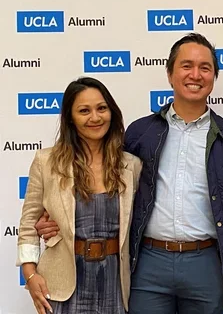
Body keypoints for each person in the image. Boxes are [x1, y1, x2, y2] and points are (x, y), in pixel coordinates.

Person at [36, 33, 223, 314]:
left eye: (205, 68)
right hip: (148, 263)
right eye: (186, 66)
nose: (195, 75)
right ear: (169, 73)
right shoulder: (141, 132)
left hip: (207, 264)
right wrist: (53, 217)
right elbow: (104, 184)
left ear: (214, 77)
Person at [16, 77, 142, 314]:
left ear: (112, 112)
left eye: (101, 108)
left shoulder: (131, 165)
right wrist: (30, 275)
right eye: (84, 111)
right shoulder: (46, 163)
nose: (95, 117)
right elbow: (28, 226)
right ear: (70, 118)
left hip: (116, 283)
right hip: (64, 284)